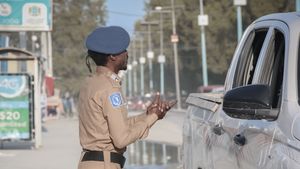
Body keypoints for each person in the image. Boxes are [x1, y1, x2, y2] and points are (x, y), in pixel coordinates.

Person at [78, 26, 177, 169]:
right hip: (104, 164)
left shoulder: (90, 83)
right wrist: (153, 118)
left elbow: (113, 127)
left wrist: (147, 115)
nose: (127, 54)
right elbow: (121, 139)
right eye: (124, 50)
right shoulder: (110, 89)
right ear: (113, 56)